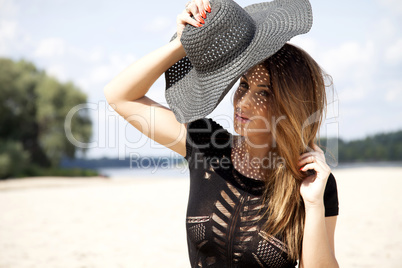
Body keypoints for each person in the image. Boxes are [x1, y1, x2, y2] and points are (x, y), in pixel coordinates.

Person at [104, 0, 339, 267]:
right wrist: (184, 44)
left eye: (263, 92)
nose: (243, 101)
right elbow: (121, 97)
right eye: (244, 84)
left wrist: (314, 203)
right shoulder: (207, 144)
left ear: (290, 103)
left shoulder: (312, 181)